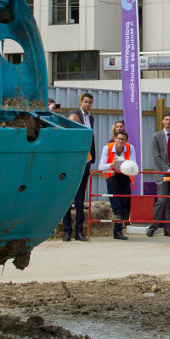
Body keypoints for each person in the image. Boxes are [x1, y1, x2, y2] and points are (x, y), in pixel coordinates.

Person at [61, 93, 96, 241]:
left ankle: (79, 231)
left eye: (90, 102)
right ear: (81, 102)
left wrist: (92, 156)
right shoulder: (73, 115)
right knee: (67, 198)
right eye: (85, 102)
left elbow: (90, 137)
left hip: (85, 159)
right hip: (71, 162)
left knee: (81, 198)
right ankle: (67, 231)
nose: (87, 104)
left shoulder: (91, 118)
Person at [99, 129, 135, 240]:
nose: (120, 141)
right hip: (112, 175)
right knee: (115, 198)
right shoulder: (107, 147)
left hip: (125, 175)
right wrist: (111, 165)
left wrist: (126, 166)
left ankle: (117, 231)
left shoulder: (130, 148)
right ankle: (118, 216)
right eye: (118, 139)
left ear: (126, 141)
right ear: (115, 139)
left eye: (123, 139)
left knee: (123, 201)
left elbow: (134, 164)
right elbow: (101, 166)